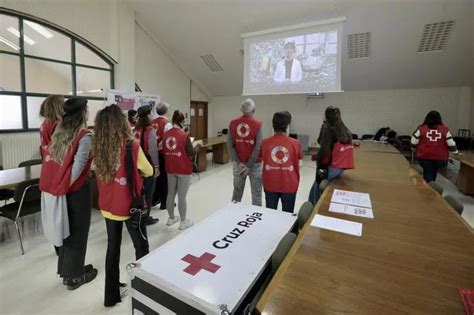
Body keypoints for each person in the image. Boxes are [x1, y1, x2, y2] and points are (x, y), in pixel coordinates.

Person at [93, 104, 153, 307]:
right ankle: (145, 291)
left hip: (108, 207)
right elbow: (149, 170)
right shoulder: (131, 146)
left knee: (113, 249)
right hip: (130, 206)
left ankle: (110, 296)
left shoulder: (98, 147)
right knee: (141, 246)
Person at [39, 97, 96, 290]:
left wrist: (59, 187)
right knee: (78, 232)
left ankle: (68, 269)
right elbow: (78, 167)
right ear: (83, 113)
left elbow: (54, 161)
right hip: (76, 190)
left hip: (59, 191)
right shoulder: (85, 135)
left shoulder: (59, 132)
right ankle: (74, 277)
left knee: (66, 232)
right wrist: (65, 186)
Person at [162, 110, 201, 230]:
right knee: (182, 197)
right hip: (183, 169)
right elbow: (191, 152)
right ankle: (183, 221)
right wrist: (198, 145)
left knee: (170, 194)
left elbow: (164, 151)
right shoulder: (184, 136)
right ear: (182, 122)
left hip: (170, 168)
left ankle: (171, 218)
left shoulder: (165, 135)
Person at [309, 107, 354, 205]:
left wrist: (317, 157)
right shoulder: (344, 129)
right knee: (315, 187)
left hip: (330, 167)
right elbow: (322, 142)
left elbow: (323, 148)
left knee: (316, 188)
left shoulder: (328, 129)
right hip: (340, 167)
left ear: (326, 116)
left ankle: (313, 209)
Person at [259, 111, 302, 213]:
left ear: (273, 126)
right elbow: (299, 165)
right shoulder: (296, 143)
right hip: (289, 185)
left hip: (270, 184)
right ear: (287, 126)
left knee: (270, 213)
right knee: (287, 216)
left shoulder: (265, 142)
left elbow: (261, 164)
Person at [227, 98, 263, 206]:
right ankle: (256, 217)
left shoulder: (233, 123)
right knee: (256, 194)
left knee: (237, 193)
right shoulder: (258, 124)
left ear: (241, 109)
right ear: (254, 110)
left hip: (239, 164)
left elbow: (229, 145)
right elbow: (258, 147)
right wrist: (249, 165)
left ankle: (233, 214)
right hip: (255, 165)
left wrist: (239, 163)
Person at [411, 111, 458, 182]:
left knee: (428, 171)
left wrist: (413, 148)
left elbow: (413, 141)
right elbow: (451, 143)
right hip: (439, 157)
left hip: (424, 155)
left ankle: (428, 189)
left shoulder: (421, 128)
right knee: (433, 172)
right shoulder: (445, 130)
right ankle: (431, 187)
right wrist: (455, 151)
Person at [134, 106, 160, 225]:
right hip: (148, 165)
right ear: (148, 115)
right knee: (148, 193)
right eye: (151, 114)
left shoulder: (136, 129)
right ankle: (145, 218)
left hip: (136, 165)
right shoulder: (150, 130)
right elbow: (152, 151)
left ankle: (137, 215)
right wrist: (156, 167)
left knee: (139, 192)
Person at [151, 102, 172, 209]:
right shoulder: (167, 124)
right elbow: (168, 141)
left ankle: (154, 200)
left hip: (152, 154)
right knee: (165, 179)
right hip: (162, 154)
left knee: (156, 178)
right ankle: (165, 203)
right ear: (166, 111)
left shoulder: (151, 122)